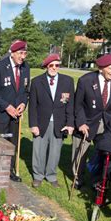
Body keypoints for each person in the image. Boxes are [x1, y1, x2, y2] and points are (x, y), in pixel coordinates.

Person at [72, 54, 111, 189]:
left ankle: (97, 180)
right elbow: (78, 105)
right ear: (101, 68)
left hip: (107, 123)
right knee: (80, 153)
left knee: (103, 153)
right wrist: (81, 123)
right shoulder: (86, 80)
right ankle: (78, 178)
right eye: (110, 68)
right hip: (87, 122)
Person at [0, 40, 30, 182]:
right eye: (20, 53)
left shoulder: (25, 68)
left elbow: (25, 91)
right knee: (0, 143)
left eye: (25, 53)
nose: (23, 57)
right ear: (12, 53)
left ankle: (9, 171)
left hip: (16, 115)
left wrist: (23, 103)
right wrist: (7, 107)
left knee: (13, 144)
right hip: (1, 114)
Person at [28, 54, 74, 188]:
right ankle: (38, 175)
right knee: (39, 150)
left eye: (57, 65)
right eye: (51, 65)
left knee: (55, 151)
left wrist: (70, 123)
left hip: (59, 123)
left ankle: (51, 175)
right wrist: (33, 125)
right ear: (46, 66)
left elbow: (70, 105)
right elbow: (33, 106)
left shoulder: (68, 81)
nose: (54, 68)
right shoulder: (37, 82)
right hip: (41, 122)